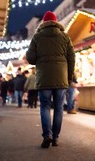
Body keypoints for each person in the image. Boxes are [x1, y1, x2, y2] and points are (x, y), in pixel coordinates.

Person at [26, 10, 75, 148]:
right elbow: (72, 59)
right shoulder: (65, 37)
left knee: (45, 107)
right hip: (61, 79)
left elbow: (30, 59)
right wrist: (69, 78)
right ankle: (55, 138)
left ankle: (46, 136)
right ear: (56, 22)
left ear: (43, 23)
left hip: (44, 79)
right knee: (59, 108)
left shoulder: (37, 37)